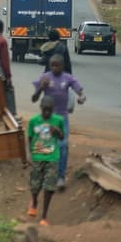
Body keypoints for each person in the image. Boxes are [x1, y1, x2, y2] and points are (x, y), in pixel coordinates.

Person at [31, 54, 85, 191]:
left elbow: (80, 91)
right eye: (52, 65)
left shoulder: (68, 78)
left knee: (63, 146)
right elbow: (34, 98)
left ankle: (60, 177)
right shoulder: (45, 77)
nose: (54, 68)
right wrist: (41, 88)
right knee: (45, 145)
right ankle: (45, 175)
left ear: (62, 66)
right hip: (46, 119)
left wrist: (82, 98)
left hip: (62, 118)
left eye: (57, 65)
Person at [25, 94, 64, 226]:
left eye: (49, 110)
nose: (47, 112)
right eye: (45, 109)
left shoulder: (58, 120)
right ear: (40, 107)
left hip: (52, 157)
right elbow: (29, 138)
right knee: (35, 186)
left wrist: (57, 131)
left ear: (53, 109)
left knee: (49, 186)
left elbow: (62, 137)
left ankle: (44, 216)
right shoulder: (33, 121)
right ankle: (34, 201)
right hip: (37, 157)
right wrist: (29, 154)